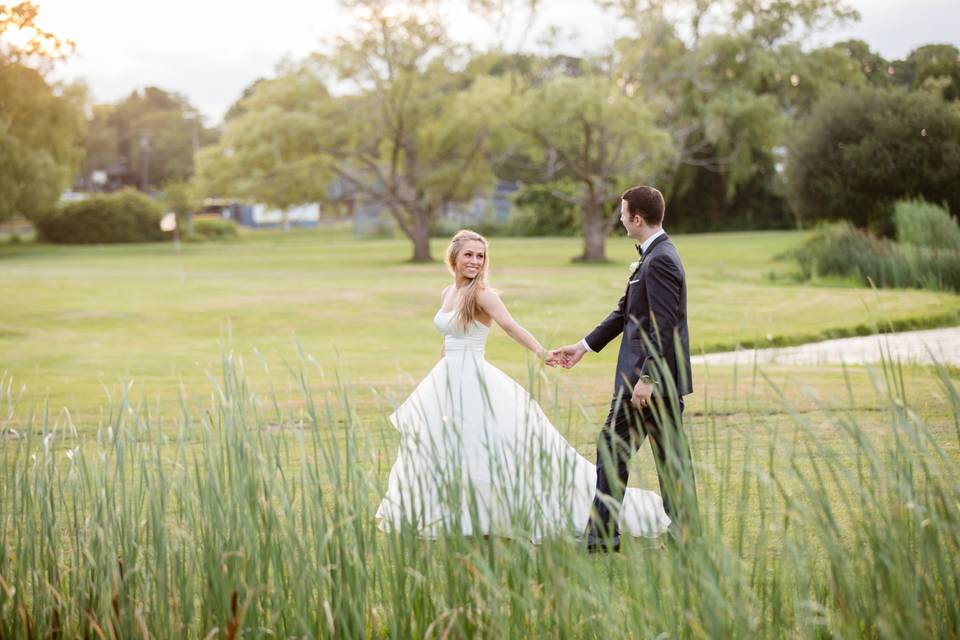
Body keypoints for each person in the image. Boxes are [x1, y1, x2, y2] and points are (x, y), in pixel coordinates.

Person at [376, 229, 670, 542]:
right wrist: (435, 376)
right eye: (469, 255)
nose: (475, 261)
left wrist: (542, 352)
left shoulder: (483, 294)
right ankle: (450, 513)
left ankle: (511, 513)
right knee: (443, 447)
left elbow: (510, 326)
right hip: (446, 379)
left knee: (488, 447)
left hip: (474, 379)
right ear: (455, 257)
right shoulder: (447, 293)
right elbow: (448, 341)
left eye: (480, 255)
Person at [554, 186, 699, 552]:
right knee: (667, 458)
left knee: (621, 449)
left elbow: (665, 325)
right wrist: (585, 346)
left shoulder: (661, 259)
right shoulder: (653, 256)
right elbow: (626, 312)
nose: (619, 219)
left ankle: (603, 537)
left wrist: (647, 377)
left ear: (637, 218)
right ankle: (683, 535)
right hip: (648, 382)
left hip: (649, 384)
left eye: (623, 213)